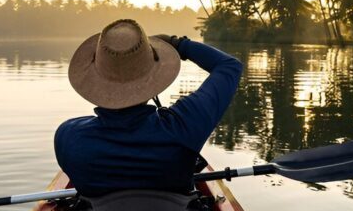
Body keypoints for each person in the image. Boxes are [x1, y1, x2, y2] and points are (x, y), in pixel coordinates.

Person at [55, 18, 242, 196]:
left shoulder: (68, 137)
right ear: (152, 74)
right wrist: (177, 44)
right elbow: (229, 66)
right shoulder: (185, 125)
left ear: (95, 78)